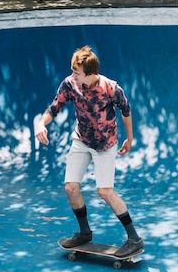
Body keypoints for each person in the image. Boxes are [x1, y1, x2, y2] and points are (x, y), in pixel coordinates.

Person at [35, 45, 143, 257]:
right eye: (73, 71)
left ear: (91, 73)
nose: (73, 75)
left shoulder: (111, 88)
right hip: (82, 141)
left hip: (105, 145)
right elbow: (54, 107)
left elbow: (126, 111)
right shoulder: (69, 84)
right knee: (71, 188)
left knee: (105, 192)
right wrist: (41, 123)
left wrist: (130, 138)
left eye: (77, 72)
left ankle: (134, 239)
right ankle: (84, 232)